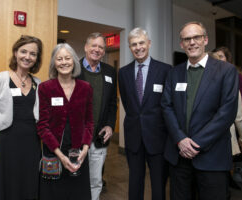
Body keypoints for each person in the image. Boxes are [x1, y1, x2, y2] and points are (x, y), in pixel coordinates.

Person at [161, 21, 239, 200]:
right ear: (181, 44)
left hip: (212, 158)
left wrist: (196, 144)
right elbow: (166, 106)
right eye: (187, 39)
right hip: (179, 157)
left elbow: (226, 113)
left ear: (205, 40)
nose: (192, 42)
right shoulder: (174, 73)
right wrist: (180, 139)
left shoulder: (226, 71)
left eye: (196, 37)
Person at [0, 35, 43, 200]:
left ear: (37, 58)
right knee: (8, 188)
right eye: (23, 51)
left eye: (33, 54)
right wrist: (1, 123)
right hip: (7, 145)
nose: (27, 57)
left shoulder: (39, 83)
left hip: (33, 145)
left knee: (31, 186)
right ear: (15, 52)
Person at [118, 27, 171, 200]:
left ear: (149, 44)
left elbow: (168, 104)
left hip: (158, 137)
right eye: (134, 44)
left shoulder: (165, 70)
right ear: (129, 47)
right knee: (134, 180)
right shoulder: (123, 73)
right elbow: (128, 102)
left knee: (159, 183)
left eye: (141, 43)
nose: (138, 47)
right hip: (133, 136)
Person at [37, 43, 93, 200]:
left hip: (79, 155)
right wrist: (61, 156)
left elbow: (89, 122)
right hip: (54, 154)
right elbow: (42, 126)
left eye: (67, 58)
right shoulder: (45, 88)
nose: (64, 62)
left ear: (74, 61)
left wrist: (85, 149)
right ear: (54, 63)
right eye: (59, 59)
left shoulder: (86, 88)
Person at [77, 32, 117, 200]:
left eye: (101, 47)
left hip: (99, 137)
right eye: (94, 45)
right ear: (86, 47)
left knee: (95, 180)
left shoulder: (110, 71)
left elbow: (112, 103)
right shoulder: (73, 68)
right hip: (76, 137)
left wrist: (110, 125)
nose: (97, 50)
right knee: (75, 179)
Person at [212, 47, 242, 186]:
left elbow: (239, 105)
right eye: (216, 56)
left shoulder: (234, 76)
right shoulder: (227, 79)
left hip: (228, 127)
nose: (219, 59)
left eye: (221, 56)